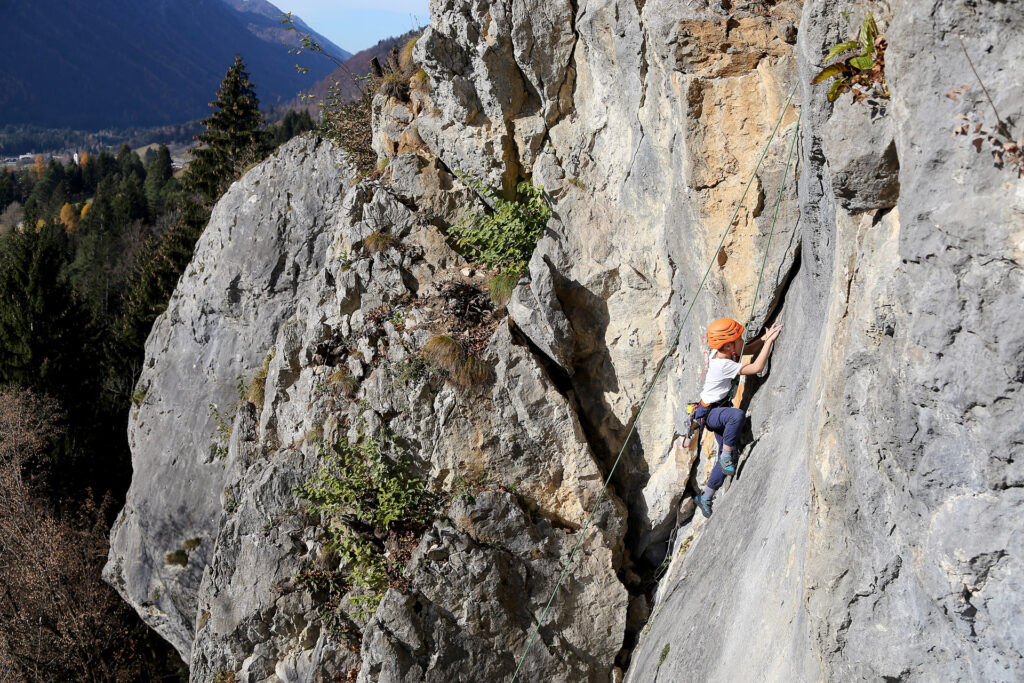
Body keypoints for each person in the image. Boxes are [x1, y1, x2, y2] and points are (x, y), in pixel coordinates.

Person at [693, 317, 781, 517]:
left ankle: (705, 496)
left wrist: (763, 339)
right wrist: (768, 342)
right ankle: (726, 454)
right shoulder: (722, 364)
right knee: (736, 416)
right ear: (728, 345)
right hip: (712, 413)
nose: (742, 340)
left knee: (730, 456)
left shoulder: (722, 352)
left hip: (715, 410)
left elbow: (746, 350)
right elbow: (757, 368)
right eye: (738, 338)